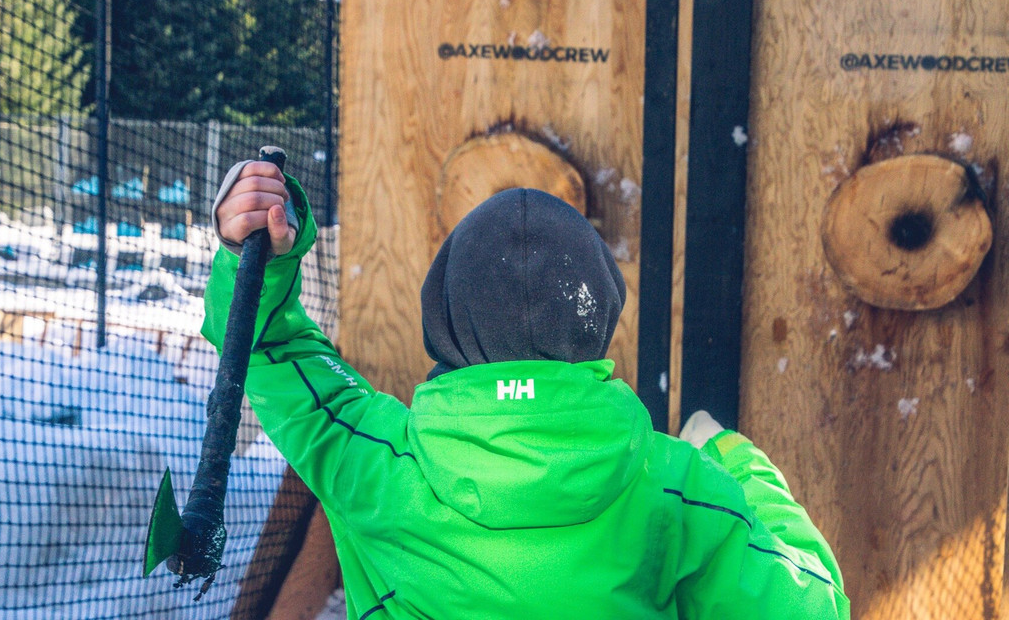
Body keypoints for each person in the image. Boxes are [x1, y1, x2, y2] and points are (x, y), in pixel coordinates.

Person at [204, 159, 850, 620]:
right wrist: (735, 460)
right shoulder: (677, 488)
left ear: (445, 319)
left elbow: (268, 347)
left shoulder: (372, 463)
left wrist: (256, 249)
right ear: (599, 312)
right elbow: (816, 606)